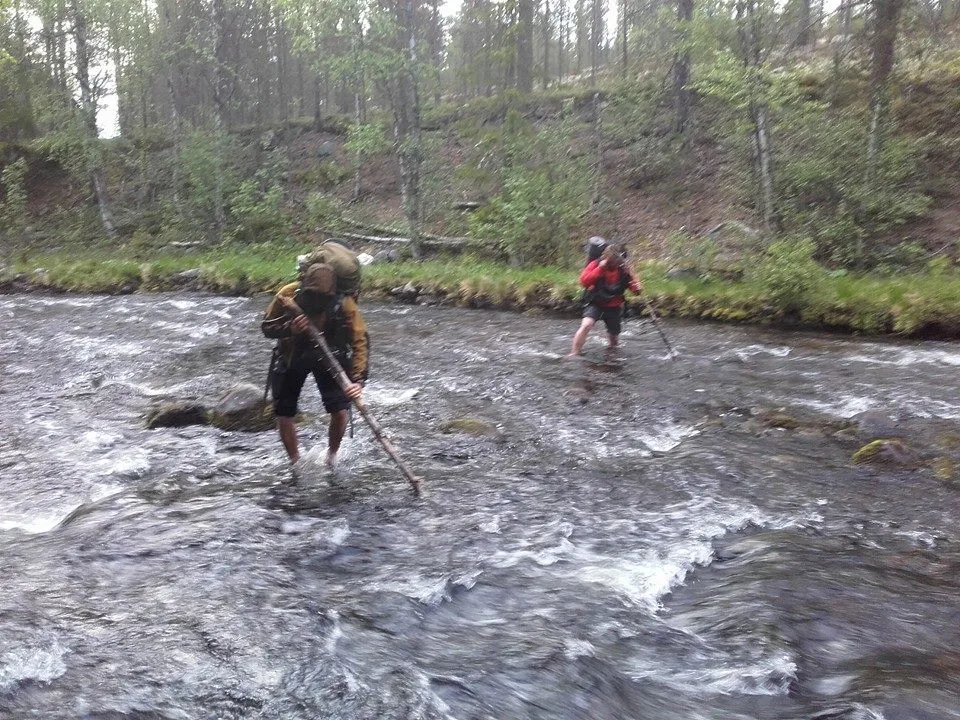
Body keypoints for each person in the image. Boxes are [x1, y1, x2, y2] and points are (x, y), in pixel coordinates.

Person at [261, 262, 368, 469]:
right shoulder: (287, 294)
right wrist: (290, 329)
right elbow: (266, 327)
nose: (317, 300)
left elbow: (360, 340)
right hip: (292, 356)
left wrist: (358, 380)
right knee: (284, 413)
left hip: (329, 357)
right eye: (312, 295)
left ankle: (331, 457)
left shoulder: (344, 302)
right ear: (303, 284)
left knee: (340, 412)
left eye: (323, 297)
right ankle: (295, 462)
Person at [569, 242, 643, 357]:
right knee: (586, 325)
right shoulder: (596, 264)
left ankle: (612, 357)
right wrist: (600, 269)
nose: (615, 264)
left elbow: (636, 290)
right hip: (596, 303)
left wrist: (637, 288)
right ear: (607, 258)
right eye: (613, 261)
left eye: (618, 262)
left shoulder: (625, 269)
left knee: (614, 339)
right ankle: (574, 353)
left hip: (614, 306)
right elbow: (584, 282)